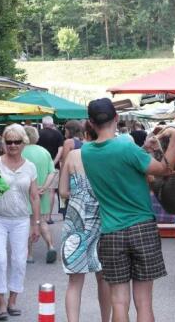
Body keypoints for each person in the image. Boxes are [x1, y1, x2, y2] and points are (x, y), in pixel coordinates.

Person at [82, 98, 175, 322]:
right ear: (116, 117)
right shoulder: (126, 147)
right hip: (142, 227)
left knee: (118, 300)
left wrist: (144, 149)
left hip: (111, 231)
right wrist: (173, 135)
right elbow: (165, 169)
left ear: (91, 122)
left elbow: (117, 161)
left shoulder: (87, 152)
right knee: (144, 301)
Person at [59, 120, 111, 322]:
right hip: (102, 222)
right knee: (104, 278)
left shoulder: (73, 155)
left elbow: (63, 191)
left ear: (85, 135)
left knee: (74, 282)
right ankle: (105, 320)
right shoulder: (107, 156)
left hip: (76, 223)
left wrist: (79, 195)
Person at [0, 124, 41, 321]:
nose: (12, 145)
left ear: (24, 143)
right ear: (4, 142)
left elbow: (34, 196)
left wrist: (35, 223)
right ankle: (0, 303)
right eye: (8, 141)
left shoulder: (30, 167)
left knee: (19, 261)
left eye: (16, 142)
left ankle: (13, 299)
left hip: (21, 219)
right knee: (0, 259)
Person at [22, 126, 57, 264]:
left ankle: (29, 254)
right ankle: (51, 245)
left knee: (28, 223)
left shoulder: (21, 152)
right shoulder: (44, 152)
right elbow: (52, 172)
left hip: (26, 193)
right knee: (41, 221)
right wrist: (44, 187)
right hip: (42, 193)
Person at [37, 116, 64, 224]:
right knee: (51, 191)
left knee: (39, 189)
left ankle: (38, 215)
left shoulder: (38, 133)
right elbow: (60, 150)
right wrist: (53, 162)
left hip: (39, 166)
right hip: (54, 166)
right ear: (52, 124)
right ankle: (48, 217)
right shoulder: (58, 134)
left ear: (43, 124)